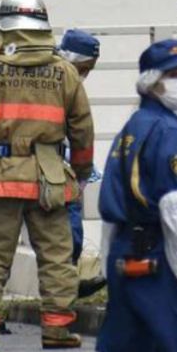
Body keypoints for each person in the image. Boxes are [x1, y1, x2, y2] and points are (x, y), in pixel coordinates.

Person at [0, 0, 94, 350]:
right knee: (57, 256)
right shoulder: (65, 73)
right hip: (50, 178)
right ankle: (58, 328)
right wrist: (79, 170)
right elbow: (82, 129)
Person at [97, 39, 177, 352]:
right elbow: (175, 207)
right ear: (152, 80)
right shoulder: (166, 131)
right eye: (174, 75)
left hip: (125, 255)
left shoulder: (132, 126)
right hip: (158, 257)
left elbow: (111, 202)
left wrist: (107, 261)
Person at [57, 29, 102, 266]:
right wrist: (82, 171)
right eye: (85, 67)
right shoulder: (67, 84)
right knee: (69, 235)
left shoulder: (54, 77)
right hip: (54, 173)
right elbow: (80, 132)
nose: (86, 74)